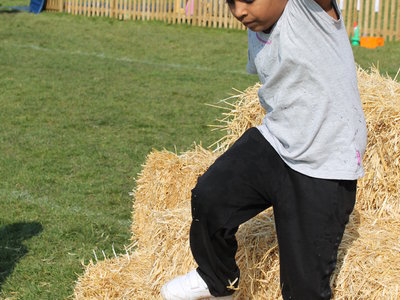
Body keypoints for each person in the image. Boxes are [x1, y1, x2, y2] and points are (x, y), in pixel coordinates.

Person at [161, 0, 367, 298]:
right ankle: (218, 280)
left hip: (324, 160)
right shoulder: (257, 26)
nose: (239, 11)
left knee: (303, 289)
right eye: (231, 3)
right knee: (209, 197)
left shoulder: (309, 9)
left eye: (248, 0)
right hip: (276, 140)